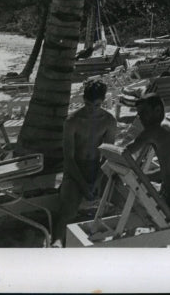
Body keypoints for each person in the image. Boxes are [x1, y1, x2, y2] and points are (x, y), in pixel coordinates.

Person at [53, 77, 117, 245]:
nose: (92, 110)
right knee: (68, 209)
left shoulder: (109, 121)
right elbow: (69, 158)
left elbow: (108, 156)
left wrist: (96, 181)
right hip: (75, 171)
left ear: (103, 101)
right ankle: (57, 242)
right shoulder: (73, 121)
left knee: (121, 197)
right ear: (84, 100)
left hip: (98, 170)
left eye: (97, 106)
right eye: (89, 105)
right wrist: (82, 184)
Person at [124, 91, 170, 216]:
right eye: (139, 115)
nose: (141, 118)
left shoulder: (153, 130)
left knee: (132, 199)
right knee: (145, 185)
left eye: (144, 113)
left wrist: (142, 177)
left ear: (157, 110)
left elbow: (125, 152)